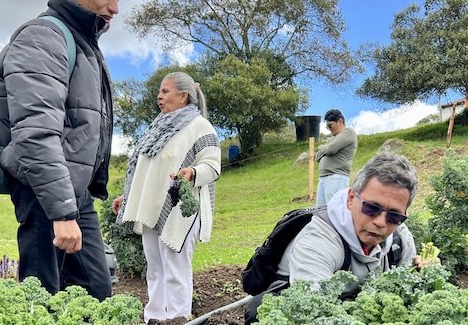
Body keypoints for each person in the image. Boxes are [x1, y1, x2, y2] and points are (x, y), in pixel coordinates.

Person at [0, 0, 125, 301]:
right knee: (42, 302)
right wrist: (62, 213)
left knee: (96, 292)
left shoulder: (86, 45)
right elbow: (35, 131)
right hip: (43, 194)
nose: (115, 8)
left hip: (74, 194)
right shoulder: (43, 37)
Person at [245, 152, 434, 324]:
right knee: (260, 312)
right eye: (371, 208)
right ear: (351, 199)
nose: (381, 222)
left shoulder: (400, 239)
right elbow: (314, 311)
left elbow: (406, 299)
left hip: (354, 308)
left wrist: (423, 276)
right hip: (312, 309)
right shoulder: (319, 240)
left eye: (394, 215)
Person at [112, 72, 221, 323]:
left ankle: (178, 318)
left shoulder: (199, 127)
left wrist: (192, 172)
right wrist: (127, 197)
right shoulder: (157, 128)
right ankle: (155, 318)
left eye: (165, 92)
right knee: (156, 269)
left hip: (181, 211)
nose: (159, 97)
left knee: (175, 270)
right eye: (160, 92)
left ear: (183, 96)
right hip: (152, 211)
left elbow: (213, 167)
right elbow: (147, 171)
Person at [315, 108, 358, 206]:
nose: (329, 129)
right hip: (324, 177)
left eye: (330, 126)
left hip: (336, 177)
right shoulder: (333, 138)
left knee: (333, 210)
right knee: (320, 213)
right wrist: (325, 149)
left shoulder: (348, 132)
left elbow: (330, 149)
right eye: (327, 127)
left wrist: (321, 147)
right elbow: (317, 157)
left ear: (340, 121)